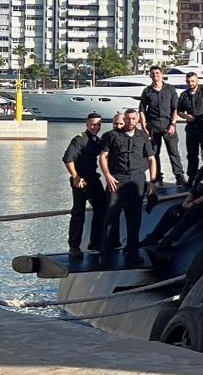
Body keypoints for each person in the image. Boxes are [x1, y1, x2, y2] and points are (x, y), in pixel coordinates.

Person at [101, 108, 156, 263]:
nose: (130, 121)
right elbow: (103, 157)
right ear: (123, 119)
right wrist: (108, 176)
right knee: (112, 216)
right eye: (127, 118)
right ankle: (105, 253)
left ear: (137, 120)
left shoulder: (143, 137)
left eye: (133, 118)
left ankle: (132, 251)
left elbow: (152, 159)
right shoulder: (112, 136)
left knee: (134, 217)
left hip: (137, 178)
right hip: (118, 178)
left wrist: (152, 181)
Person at [151, 147, 203, 251]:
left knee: (193, 210)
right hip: (202, 201)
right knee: (174, 209)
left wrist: (192, 204)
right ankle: (154, 237)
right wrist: (185, 203)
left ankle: (170, 239)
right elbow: (194, 191)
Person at [63, 112, 107, 258]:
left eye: (98, 124)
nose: (96, 127)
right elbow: (67, 158)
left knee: (102, 209)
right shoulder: (79, 140)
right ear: (87, 125)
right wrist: (75, 177)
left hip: (93, 179)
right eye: (93, 124)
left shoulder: (98, 141)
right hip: (80, 180)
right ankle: (74, 246)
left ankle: (95, 241)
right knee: (78, 213)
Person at [138, 66, 186, 188]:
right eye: (153, 73)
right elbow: (142, 110)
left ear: (161, 74)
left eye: (157, 73)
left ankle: (179, 177)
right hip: (153, 125)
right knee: (154, 153)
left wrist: (173, 124)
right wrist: (144, 126)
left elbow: (175, 108)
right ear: (150, 75)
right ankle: (157, 177)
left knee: (173, 151)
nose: (155, 75)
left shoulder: (169, 89)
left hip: (168, 124)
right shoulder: (147, 91)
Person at [176, 71, 203, 169]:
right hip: (191, 128)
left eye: (193, 81)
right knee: (191, 154)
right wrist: (186, 116)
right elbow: (179, 111)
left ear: (197, 81)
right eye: (188, 81)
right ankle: (192, 177)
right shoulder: (184, 95)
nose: (191, 84)